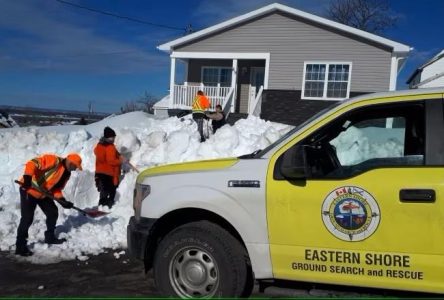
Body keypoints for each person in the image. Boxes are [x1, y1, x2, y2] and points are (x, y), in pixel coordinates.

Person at [16, 153, 83, 256]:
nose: (75, 169)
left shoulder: (67, 174)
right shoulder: (54, 161)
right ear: (70, 162)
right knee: (27, 218)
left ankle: (50, 237)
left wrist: (62, 200)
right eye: (75, 166)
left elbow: (56, 189)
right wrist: (27, 177)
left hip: (43, 194)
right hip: (29, 189)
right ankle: (20, 246)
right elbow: (32, 163)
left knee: (52, 213)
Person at [94, 126, 126, 208]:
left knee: (103, 191)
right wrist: (120, 161)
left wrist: (117, 154)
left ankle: (102, 205)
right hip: (109, 173)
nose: (114, 138)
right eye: (113, 137)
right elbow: (111, 161)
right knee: (112, 190)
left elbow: (96, 152)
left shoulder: (99, 145)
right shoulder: (110, 147)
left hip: (100, 172)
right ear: (109, 137)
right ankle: (107, 206)